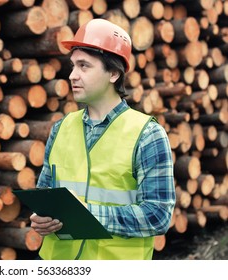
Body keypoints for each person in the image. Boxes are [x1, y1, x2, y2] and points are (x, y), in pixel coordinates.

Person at [29, 19, 176, 260]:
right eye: (73, 66)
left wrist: (88, 215)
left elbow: (158, 215)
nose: (73, 75)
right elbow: (45, 194)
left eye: (84, 66)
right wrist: (41, 218)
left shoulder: (147, 134)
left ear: (114, 73)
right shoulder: (60, 128)